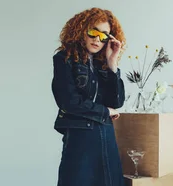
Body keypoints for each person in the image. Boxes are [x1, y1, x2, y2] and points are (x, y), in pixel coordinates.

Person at [51, 7, 127, 186]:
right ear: (81, 30)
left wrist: (112, 64)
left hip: (106, 135)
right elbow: (69, 102)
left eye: (104, 36)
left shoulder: (103, 64)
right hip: (81, 135)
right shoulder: (64, 59)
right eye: (93, 32)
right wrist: (104, 111)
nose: (97, 39)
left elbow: (117, 102)